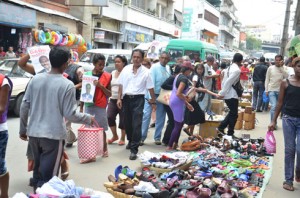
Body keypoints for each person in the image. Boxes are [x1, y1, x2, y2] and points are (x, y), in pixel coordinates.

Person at [19, 46, 95, 190]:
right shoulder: (67, 85)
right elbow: (70, 114)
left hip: (34, 134)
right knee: (49, 179)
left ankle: (37, 192)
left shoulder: (36, 79)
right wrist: (88, 118)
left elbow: (24, 106)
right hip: (52, 137)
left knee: (38, 172)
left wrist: (23, 129)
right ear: (66, 63)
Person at [117, 49, 156, 160]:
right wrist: (119, 98)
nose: (136, 59)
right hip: (126, 99)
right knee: (127, 123)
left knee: (137, 124)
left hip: (139, 99)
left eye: (138, 57)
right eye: (134, 57)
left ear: (142, 58)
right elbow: (121, 84)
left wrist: (153, 101)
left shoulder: (146, 72)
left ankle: (134, 149)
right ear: (132, 57)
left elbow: (150, 87)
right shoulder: (126, 69)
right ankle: (130, 140)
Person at [268, 57, 300, 192]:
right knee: (290, 149)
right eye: (298, 66)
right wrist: (273, 120)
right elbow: (280, 103)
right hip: (288, 119)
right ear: (293, 66)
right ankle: (288, 179)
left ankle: (298, 171)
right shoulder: (285, 83)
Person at [81, 54, 111, 158]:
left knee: (101, 129)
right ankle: (91, 151)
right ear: (94, 64)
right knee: (89, 129)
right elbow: (83, 91)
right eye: (99, 64)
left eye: (103, 65)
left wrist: (101, 86)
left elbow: (109, 94)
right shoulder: (87, 75)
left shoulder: (107, 76)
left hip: (100, 106)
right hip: (89, 105)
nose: (101, 67)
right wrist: (81, 107)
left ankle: (104, 148)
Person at [141, 52, 171, 145]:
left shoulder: (168, 68)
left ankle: (157, 137)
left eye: (166, 58)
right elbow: (151, 83)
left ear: (168, 60)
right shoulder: (154, 67)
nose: (164, 60)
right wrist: (151, 98)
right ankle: (142, 137)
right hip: (152, 94)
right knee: (146, 116)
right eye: (162, 58)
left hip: (163, 94)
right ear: (159, 57)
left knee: (161, 117)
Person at [183, 63, 219, 136]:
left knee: (193, 118)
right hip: (192, 100)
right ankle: (187, 129)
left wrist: (215, 94)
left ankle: (191, 134)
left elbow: (205, 89)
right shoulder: (196, 76)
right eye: (198, 69)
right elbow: (193, 87)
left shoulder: (200, 77)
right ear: (196, 69)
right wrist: (201, 90)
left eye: (201, 69)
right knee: (200, 116)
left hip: (195, 100)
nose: (200, 71)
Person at [167, 61, 194, 151]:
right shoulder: (184, 79)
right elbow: (179, 93)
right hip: (177, 102)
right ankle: (170, 146)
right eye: (190, 71)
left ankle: (174, 144)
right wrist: (186, 99)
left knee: (179, 123)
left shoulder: (178, 75)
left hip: (174, 101)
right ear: (187, 70)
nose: (190, 73)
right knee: (178, 125)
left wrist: (187, 104)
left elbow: (178, 93)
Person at [217, 53, 243, 138]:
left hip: (228, 93)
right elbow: (228, 82)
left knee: (233, 113)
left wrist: (222, 92)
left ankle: (223, 128)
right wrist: (222, 93)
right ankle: (228, 132)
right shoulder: (236, 70)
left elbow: (224, 81)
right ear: (240, 60)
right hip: (231, 94)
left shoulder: (229, 68)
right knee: (234, 114)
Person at [107, 55, 127, 146]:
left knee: (123, 120)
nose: (116, 64)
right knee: (110, 116)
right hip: (112, 99)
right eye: (115, 62)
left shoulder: (126, 73)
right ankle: (115, 136)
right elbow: (109, 85)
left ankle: (123, 137)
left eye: (118, 62)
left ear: (123, 63)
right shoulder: (113, 72)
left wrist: (120, 98)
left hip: (123, 99)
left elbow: (122, 86)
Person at [64, 61, 85, 147]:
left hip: (71, 98)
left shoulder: (77, 69)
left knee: (66, 121)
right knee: (63, 121)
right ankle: (70, 138)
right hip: (59, 98)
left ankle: (67, 140)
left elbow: (84, 81)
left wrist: (72, 87)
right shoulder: (54, 67)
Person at [265, 54, 289, 126]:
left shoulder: (285, 68)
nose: (277, 62)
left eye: (279, 60)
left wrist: (281, 67)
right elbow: (267, 79)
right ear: (274, 60)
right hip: (271, 89)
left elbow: (287, 76)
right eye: (276, 60)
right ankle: (273, 123)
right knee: (274, 106)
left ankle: (275, 121)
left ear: (282, 61)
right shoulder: (270, 68)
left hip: (281, 91)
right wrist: (266, 90)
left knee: (280, 107)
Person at [160, 65, 181, 146]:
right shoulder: (173, 78)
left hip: (172, 102)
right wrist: (175, 87)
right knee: (172, 121)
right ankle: (166, 140)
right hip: (168, 101)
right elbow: (163, 85)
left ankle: (168, 139)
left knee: (172, 121)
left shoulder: (177, 78)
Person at [0, 74, 12, 198]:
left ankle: (4, 195)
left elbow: (1, 108)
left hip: (0, 131)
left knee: (0, 166)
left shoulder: (3, 82)